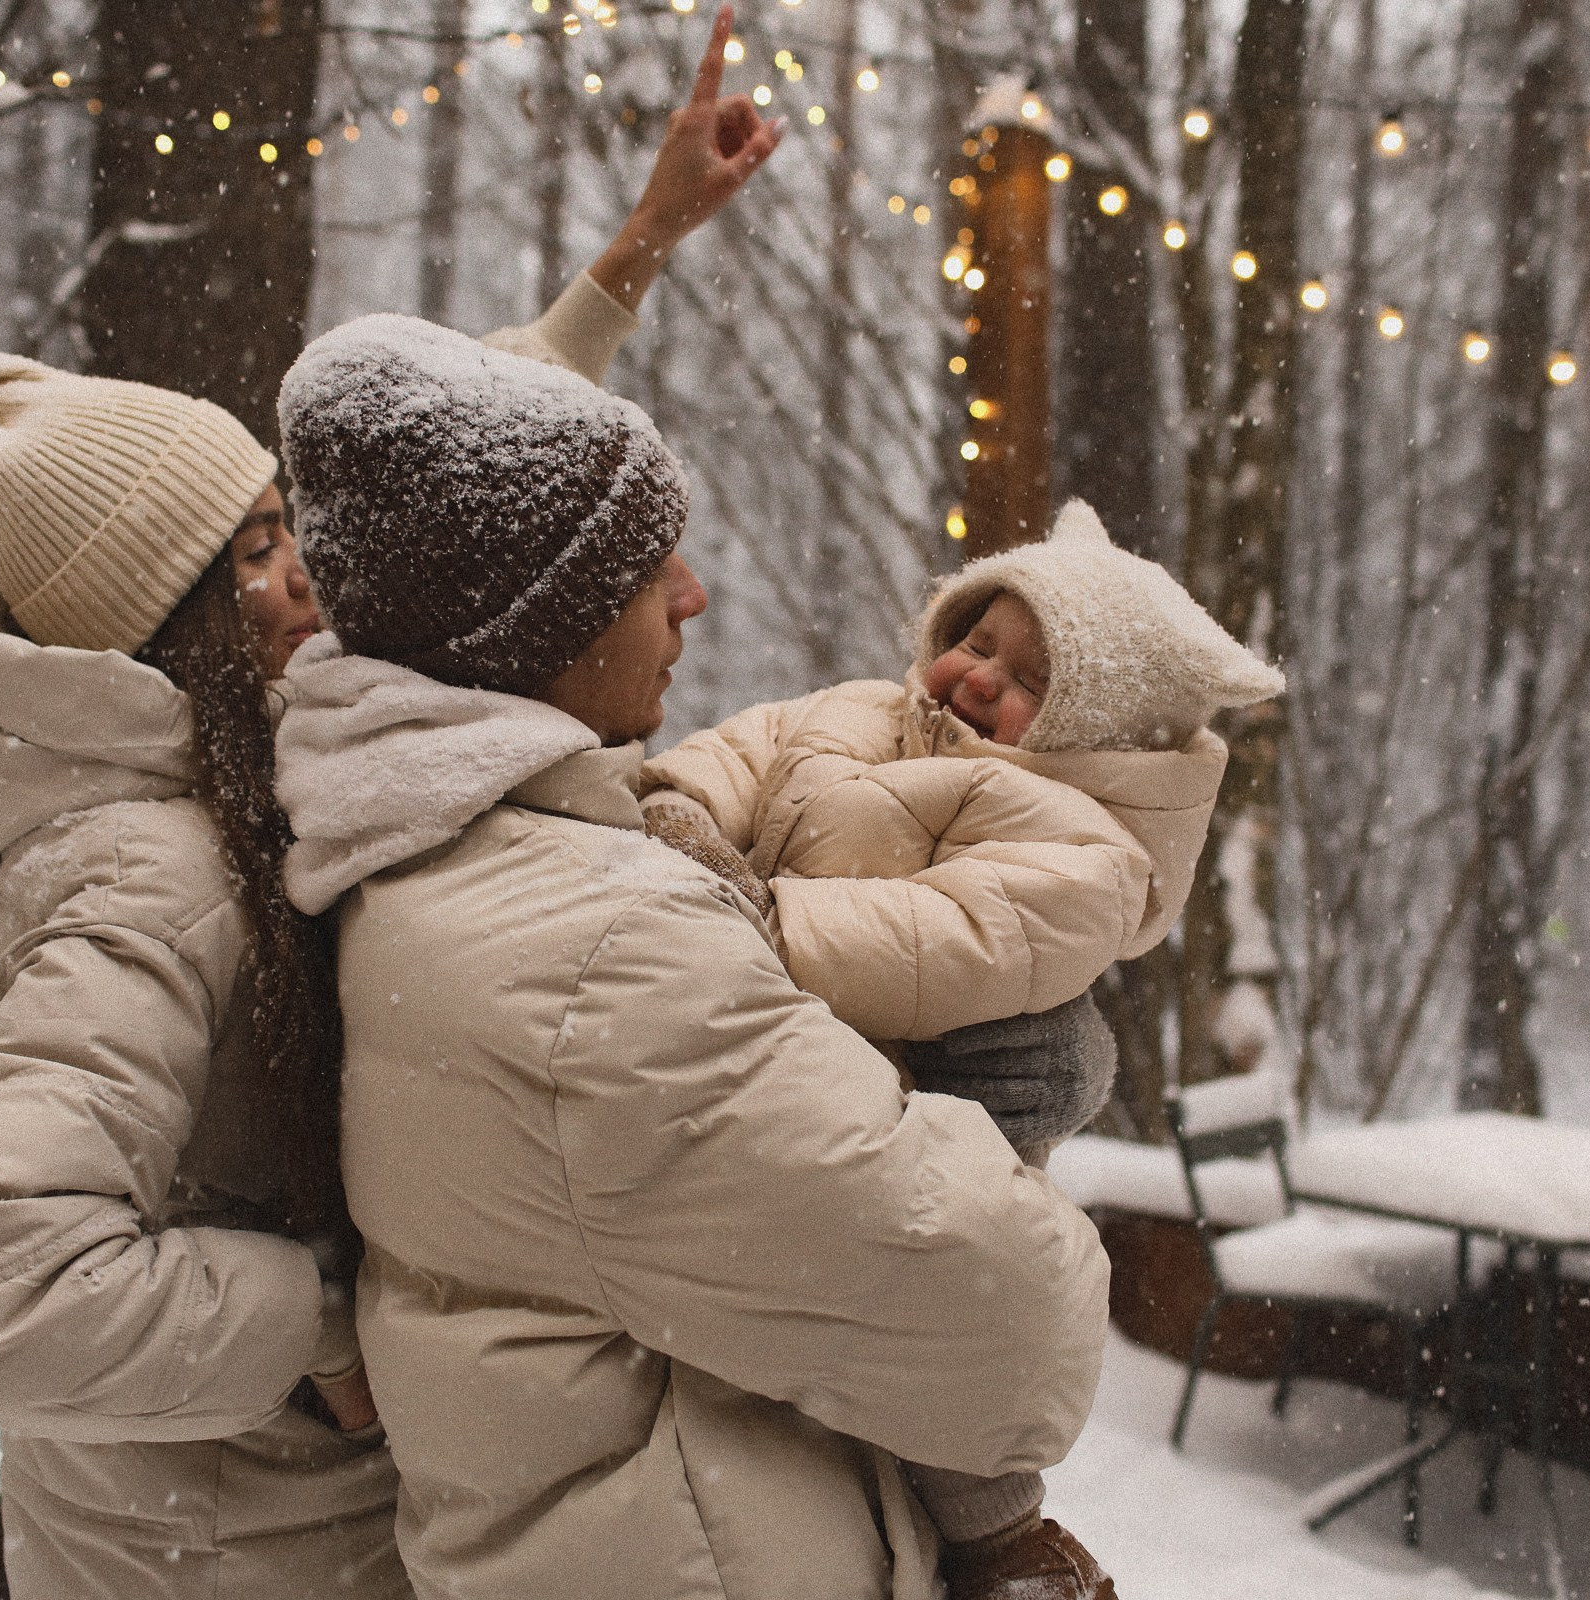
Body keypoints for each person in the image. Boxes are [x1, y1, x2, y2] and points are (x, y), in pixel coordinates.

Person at [0, 12, 781, 1593]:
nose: (307, 568)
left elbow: (453, 499)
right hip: (210, 1560)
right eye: (249, 555)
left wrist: (636, 252)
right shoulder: (142, 871)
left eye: (281, 520)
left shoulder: (239, 751)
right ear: (164, 633)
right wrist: (314, 1320)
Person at [269, 299, 1113, 1600]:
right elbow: (1011, 1325)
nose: (695, 596)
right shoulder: (606, 949)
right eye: (647, 565)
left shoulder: (415, 852)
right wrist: (988, 1091)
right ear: (535, 624)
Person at [639, 497, 1284, 1597]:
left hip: (922, 1110)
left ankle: (999, 1536)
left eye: (1032, 679)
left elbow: (939, 944)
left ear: (1101, 728)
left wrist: (761, 922)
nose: (980, 677)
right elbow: (735, 756)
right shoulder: (848, 712)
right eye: (975, 642)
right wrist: (681, 813)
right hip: (769, 1050)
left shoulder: (1090, 850)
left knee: (941, 1306)